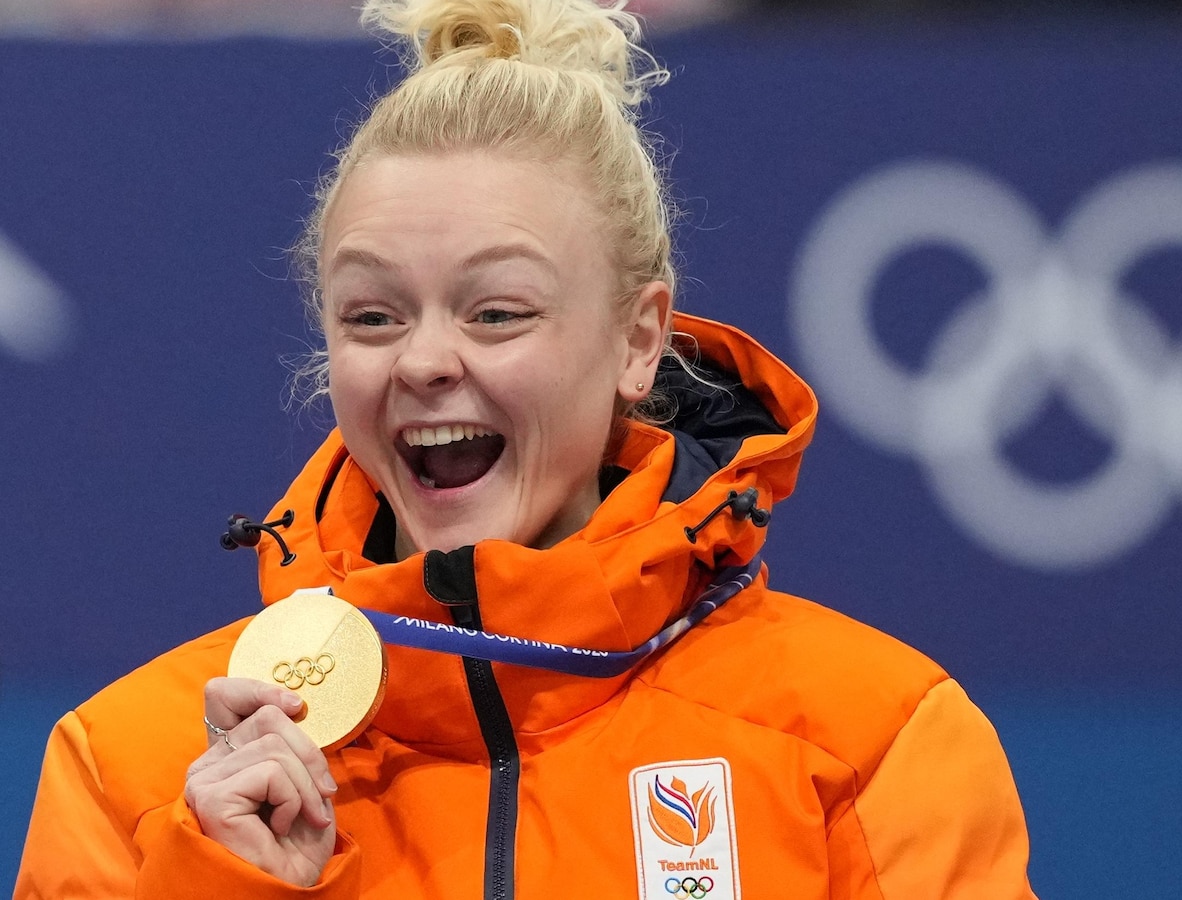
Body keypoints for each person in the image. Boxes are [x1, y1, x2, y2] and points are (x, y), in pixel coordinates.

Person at [14, 0, 1036, 896]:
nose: (422, 360)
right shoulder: (139, 772)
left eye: (497, 312)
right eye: (370, 316)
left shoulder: (869, 739)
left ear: (638, 342)